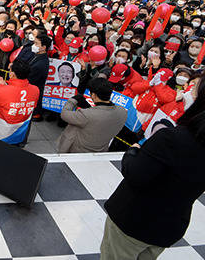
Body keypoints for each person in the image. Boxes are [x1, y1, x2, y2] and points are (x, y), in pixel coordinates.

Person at [101, 76, 205, 260]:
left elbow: (135, 174)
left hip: (134, 220)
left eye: (195, 87)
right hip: (170, 225)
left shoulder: (171, 139)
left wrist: (133, 152)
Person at [58, 78, 128, 153]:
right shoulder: (122, 112)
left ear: (94, 95)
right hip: (101, 150)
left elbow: (64, 114)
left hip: (78, 151)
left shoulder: (86, 115)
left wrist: (73, 100)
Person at [0, 60, 40, 144]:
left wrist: (1, 87)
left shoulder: (3, 90)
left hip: (1, 133)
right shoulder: (35, 90)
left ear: (12, 74)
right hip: (20, 132)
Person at [27, 33, 51, 121]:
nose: (34, 45)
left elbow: (31, 78)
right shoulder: (37, 55)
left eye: (36, 44)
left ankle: (36, 114)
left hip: (34, 88)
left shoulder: (41, 63)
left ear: (44, 47)